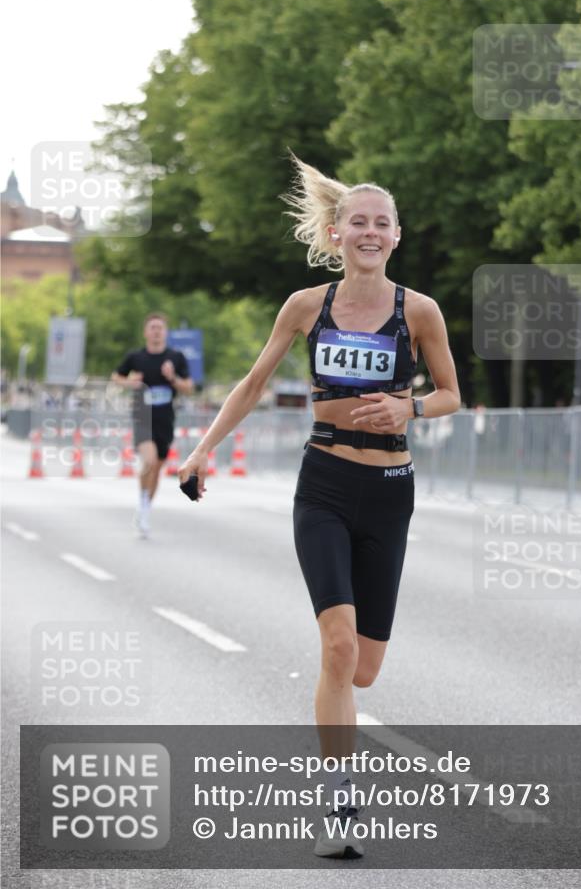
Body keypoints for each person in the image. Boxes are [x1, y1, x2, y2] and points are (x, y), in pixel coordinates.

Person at [178, 154, 460, 858]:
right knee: (336, 649)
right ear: (336, 234)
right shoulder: (308, 307)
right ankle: (338, 800)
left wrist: (411, 404)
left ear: (396, 236)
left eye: (380, 223)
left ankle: (340, 726)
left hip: (390, 492)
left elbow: (453, 393)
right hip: (325, 485)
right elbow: (249, 384)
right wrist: (201, 449)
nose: (368, 232)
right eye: (356, 222)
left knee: (363, 668)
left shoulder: (417, 310)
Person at [112, 312, 193, 537]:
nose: (156, 331)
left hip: (165, 420)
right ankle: (142, 502)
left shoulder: (176, 358)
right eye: (152, 327)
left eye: (160, 328)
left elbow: (188, 387)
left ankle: (145, 508)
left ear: (165, 332)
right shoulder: (136, 357)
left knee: (156, 469)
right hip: (142, 416)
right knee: (148, 460)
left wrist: (172, 378)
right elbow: (116, 377)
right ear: (146, 332)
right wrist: (130, 382)